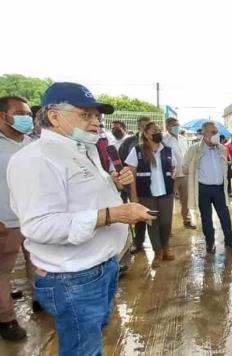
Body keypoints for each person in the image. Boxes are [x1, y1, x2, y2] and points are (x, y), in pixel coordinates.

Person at [7, 82, 153, 354]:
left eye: (97, 116)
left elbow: (82, 198)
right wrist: (115, 214)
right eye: (86, 115)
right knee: (83, 350)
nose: (96, 122)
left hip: (101, 267)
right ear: (54, 116)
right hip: (73, 278)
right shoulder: (36, 159)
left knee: (91, 339)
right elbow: (40, 225)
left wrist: (115, 184)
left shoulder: (83, 149)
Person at [0, 96, 35, 341]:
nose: (28, 118)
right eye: (21, 113)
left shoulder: (33, 144)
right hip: (5, 221)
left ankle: (42, 300)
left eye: (29, 114)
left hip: (34, 217)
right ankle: (7, 319)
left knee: (39, 262)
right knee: (3, 271)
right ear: (3, 116)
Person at [183, 121, 232, 253]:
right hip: (203, 189)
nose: (216, 134)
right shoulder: (194, 149)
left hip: (219, 189)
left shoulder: (221, 148)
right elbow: (185, 167)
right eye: (213, 132)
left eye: (217, 132)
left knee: (225, 216)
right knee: (206, 218)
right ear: (204, 134)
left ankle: (230, 241)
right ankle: (210, 243)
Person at [126, 122, 177, 267]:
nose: (158, 132)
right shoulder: (137, 151)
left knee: (166, 222)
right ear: (146, 133)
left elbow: (173, 166)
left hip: (166, 192)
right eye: (154, 130)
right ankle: (158, 251)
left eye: (159, 130)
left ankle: (166, 247)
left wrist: (171, 177)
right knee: (152, 223)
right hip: (146, 194)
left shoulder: (167, 150)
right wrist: (134, 196)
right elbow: (131, 175)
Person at [119, 116, 152, 253]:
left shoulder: (155, 142)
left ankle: (159, 244)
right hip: (134, 184)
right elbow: (121, 160)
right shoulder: (129, 142)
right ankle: (138, 242)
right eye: (144, 126)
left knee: (152, 214)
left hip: (152, 186)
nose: (146, 129)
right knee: (137, 215)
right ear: (139, 127)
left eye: (148, 126)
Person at [162, 117, 196, 229]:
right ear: (167, 126)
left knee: (185, 200)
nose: (176, 127)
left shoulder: (182, 139)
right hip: (171, 176)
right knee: (168, 202)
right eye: (173, 125)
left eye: (177, 124)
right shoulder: (163, 140)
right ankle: (167, 226)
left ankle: (187, 220)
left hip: (184, 174)